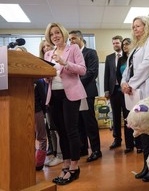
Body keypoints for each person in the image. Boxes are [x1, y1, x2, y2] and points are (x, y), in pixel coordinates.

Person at [44, 23, 87, 185]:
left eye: (57, 33)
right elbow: (47, 75)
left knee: (71, 131)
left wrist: (64, 62)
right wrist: (46, 76)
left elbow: (82, 70)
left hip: (70, 95)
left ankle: (75, 167)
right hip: (54, 95)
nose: (55, 36)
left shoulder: (73, 49)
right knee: (61, 131)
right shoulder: (48, 54)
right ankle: (66, 164)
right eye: (52, 34)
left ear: (63, 33)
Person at [121, 16, 149, 182]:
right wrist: (124, 82)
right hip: (136, 90)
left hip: (146, 89)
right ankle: (146, 166)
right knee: (142, 131)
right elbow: (127, 68)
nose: (135, 29)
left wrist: (131, 83)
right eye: (133, 26)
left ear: (147, 26)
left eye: (139, 26)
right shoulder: (136, 46)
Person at [69, 30, 102, 162]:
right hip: (74, 93)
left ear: (80, 39)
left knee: (89, 121)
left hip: (87, 91)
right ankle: (82, 148)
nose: (71, 42)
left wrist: (75, 83)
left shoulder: (90, 52)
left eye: (73, 39)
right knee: (78, 122)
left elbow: (92, 72)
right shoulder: (71, 55)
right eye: (69, 40)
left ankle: (96, 150)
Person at [116, 38, 140, 153]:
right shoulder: (121, 60)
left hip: (137, 90)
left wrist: (132, 85)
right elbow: (118, 76)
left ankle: (139, 145)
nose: (124, 46)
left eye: (127, 44)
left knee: (139, 118)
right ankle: (129, 145)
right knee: (128, 119)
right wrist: (123, 86)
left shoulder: (136, 57)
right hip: (125, 91)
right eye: (123, 44)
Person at [104, 35, 125, 149]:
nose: (115, 45)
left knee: (128, 116)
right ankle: (117, 139)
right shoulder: (109, 58)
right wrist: (106, 90)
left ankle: (131, 140)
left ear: (121, 43)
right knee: (115, 116)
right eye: (113, 43)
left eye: (117, 43)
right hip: (113, 91)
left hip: (125, 91)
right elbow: (107, 74)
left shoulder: (127, 56)